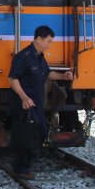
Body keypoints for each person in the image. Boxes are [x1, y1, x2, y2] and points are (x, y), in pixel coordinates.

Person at [7, 25, 74, 179]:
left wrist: (63, 77)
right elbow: (12, 78)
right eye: (48, 41)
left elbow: (48, 73)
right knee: (26, 135)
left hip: (36, 102)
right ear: (38, 39)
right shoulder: (23, 57)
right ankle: (20, 169)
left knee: (40, 132)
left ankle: (24, 166)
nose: (49, 45)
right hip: (25, 103)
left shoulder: (39, 57)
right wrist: (24, 97)